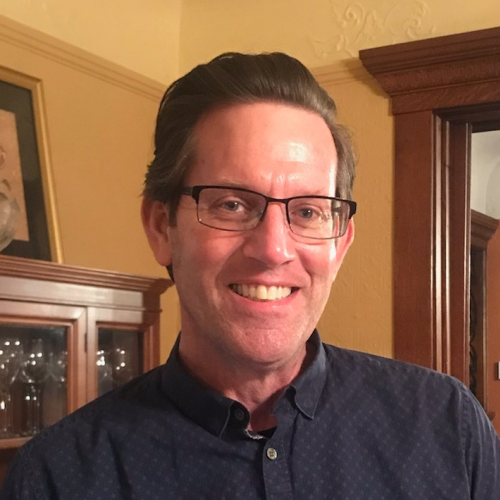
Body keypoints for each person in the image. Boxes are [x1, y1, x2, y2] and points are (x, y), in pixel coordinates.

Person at [1, 52, 499, 500]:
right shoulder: (58, 477)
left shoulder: (446, 424)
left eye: (308, 211)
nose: (273, 249)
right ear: (160, 228)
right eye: (232, 205)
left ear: (341, 243)